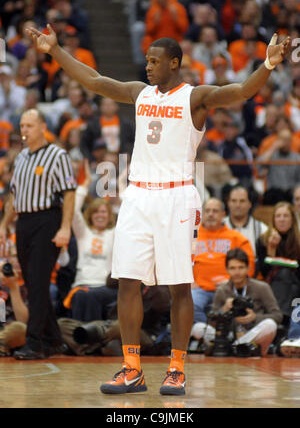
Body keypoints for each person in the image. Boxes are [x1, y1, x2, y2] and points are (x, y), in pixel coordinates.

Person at [26, 22, 289, 395]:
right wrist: (54, 50)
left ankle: (176, 368)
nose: (148, 66)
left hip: (177, 196)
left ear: (175, 63)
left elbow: (242, 92)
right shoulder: (140, 93)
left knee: (180, 286)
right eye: (147, 60)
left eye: (154, 61)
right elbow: (96, 81)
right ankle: (131, 368)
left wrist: (268, 64)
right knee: (127, 282)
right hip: (137, 196)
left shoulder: (195, 97)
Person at [0, 109, 76, 359]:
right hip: (24, 222)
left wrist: (65, 228)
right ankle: (54, 340)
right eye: (22, 125)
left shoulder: (58, 155)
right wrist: (4, 224)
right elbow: (15, 196)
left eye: (30, 125)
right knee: (33, 283)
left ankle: (35, 342)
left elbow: (69, 192)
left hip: (48, 220)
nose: (24, 130)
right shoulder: (20, 157)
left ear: (43, 126)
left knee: (38, 280)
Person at [193, 248, 282, 356]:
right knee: (198, 328)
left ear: (248, 268)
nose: (237, 272)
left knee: (270, 325)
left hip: (252, 331)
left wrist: (255, 317)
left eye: (241, 268)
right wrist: (223, 310)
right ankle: (240, 347)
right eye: (232, 268)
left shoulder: (262, 287)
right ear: (226, 270)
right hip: (228, 334)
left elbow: (277, 315)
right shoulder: (222, 290)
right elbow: (211, 321)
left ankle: (236, 346)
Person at [63, 160, 117, 321]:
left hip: (105, 286)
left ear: (109, 215)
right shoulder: (83, 233)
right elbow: (73, 210)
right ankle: (83, 341)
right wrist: (84, 185)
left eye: (103, 212)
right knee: (81, 296)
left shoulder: (114, 233)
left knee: (92, 296)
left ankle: (91, 339)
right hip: (82, 283)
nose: (100, 215)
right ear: (90, 215)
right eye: (96, 212)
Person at [192, 197, 255, 324]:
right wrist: (188, 281)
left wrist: (233, 281)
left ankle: (210, 335)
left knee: (238, 308)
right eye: (207, 211)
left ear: (223, 214)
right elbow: (179, 263)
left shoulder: (236, 237)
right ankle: (210, 334)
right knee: (191, 306)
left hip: (229, 288)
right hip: (199, 289)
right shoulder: (191, 236)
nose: (210, 214)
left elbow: (250, 265)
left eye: (215, 211)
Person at [256, 201, 300, 323]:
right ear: (273, 220)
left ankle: (280, 319)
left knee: (287, 277)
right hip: (271, 284)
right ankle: (284, 319)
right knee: (284, 275)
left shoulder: (298, 241)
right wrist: (271, 248)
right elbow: (264, 272)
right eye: (278, 216)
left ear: (292, 220)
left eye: (285, 216)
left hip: (295, 284)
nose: (282, 220)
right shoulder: (263, 240)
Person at [224, 185, 268, 253]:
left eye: (242, 201)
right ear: (228, 203)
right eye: (234, 201)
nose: (238, 205)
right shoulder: (218, 226)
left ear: (250, 204)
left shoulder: (261, 229)